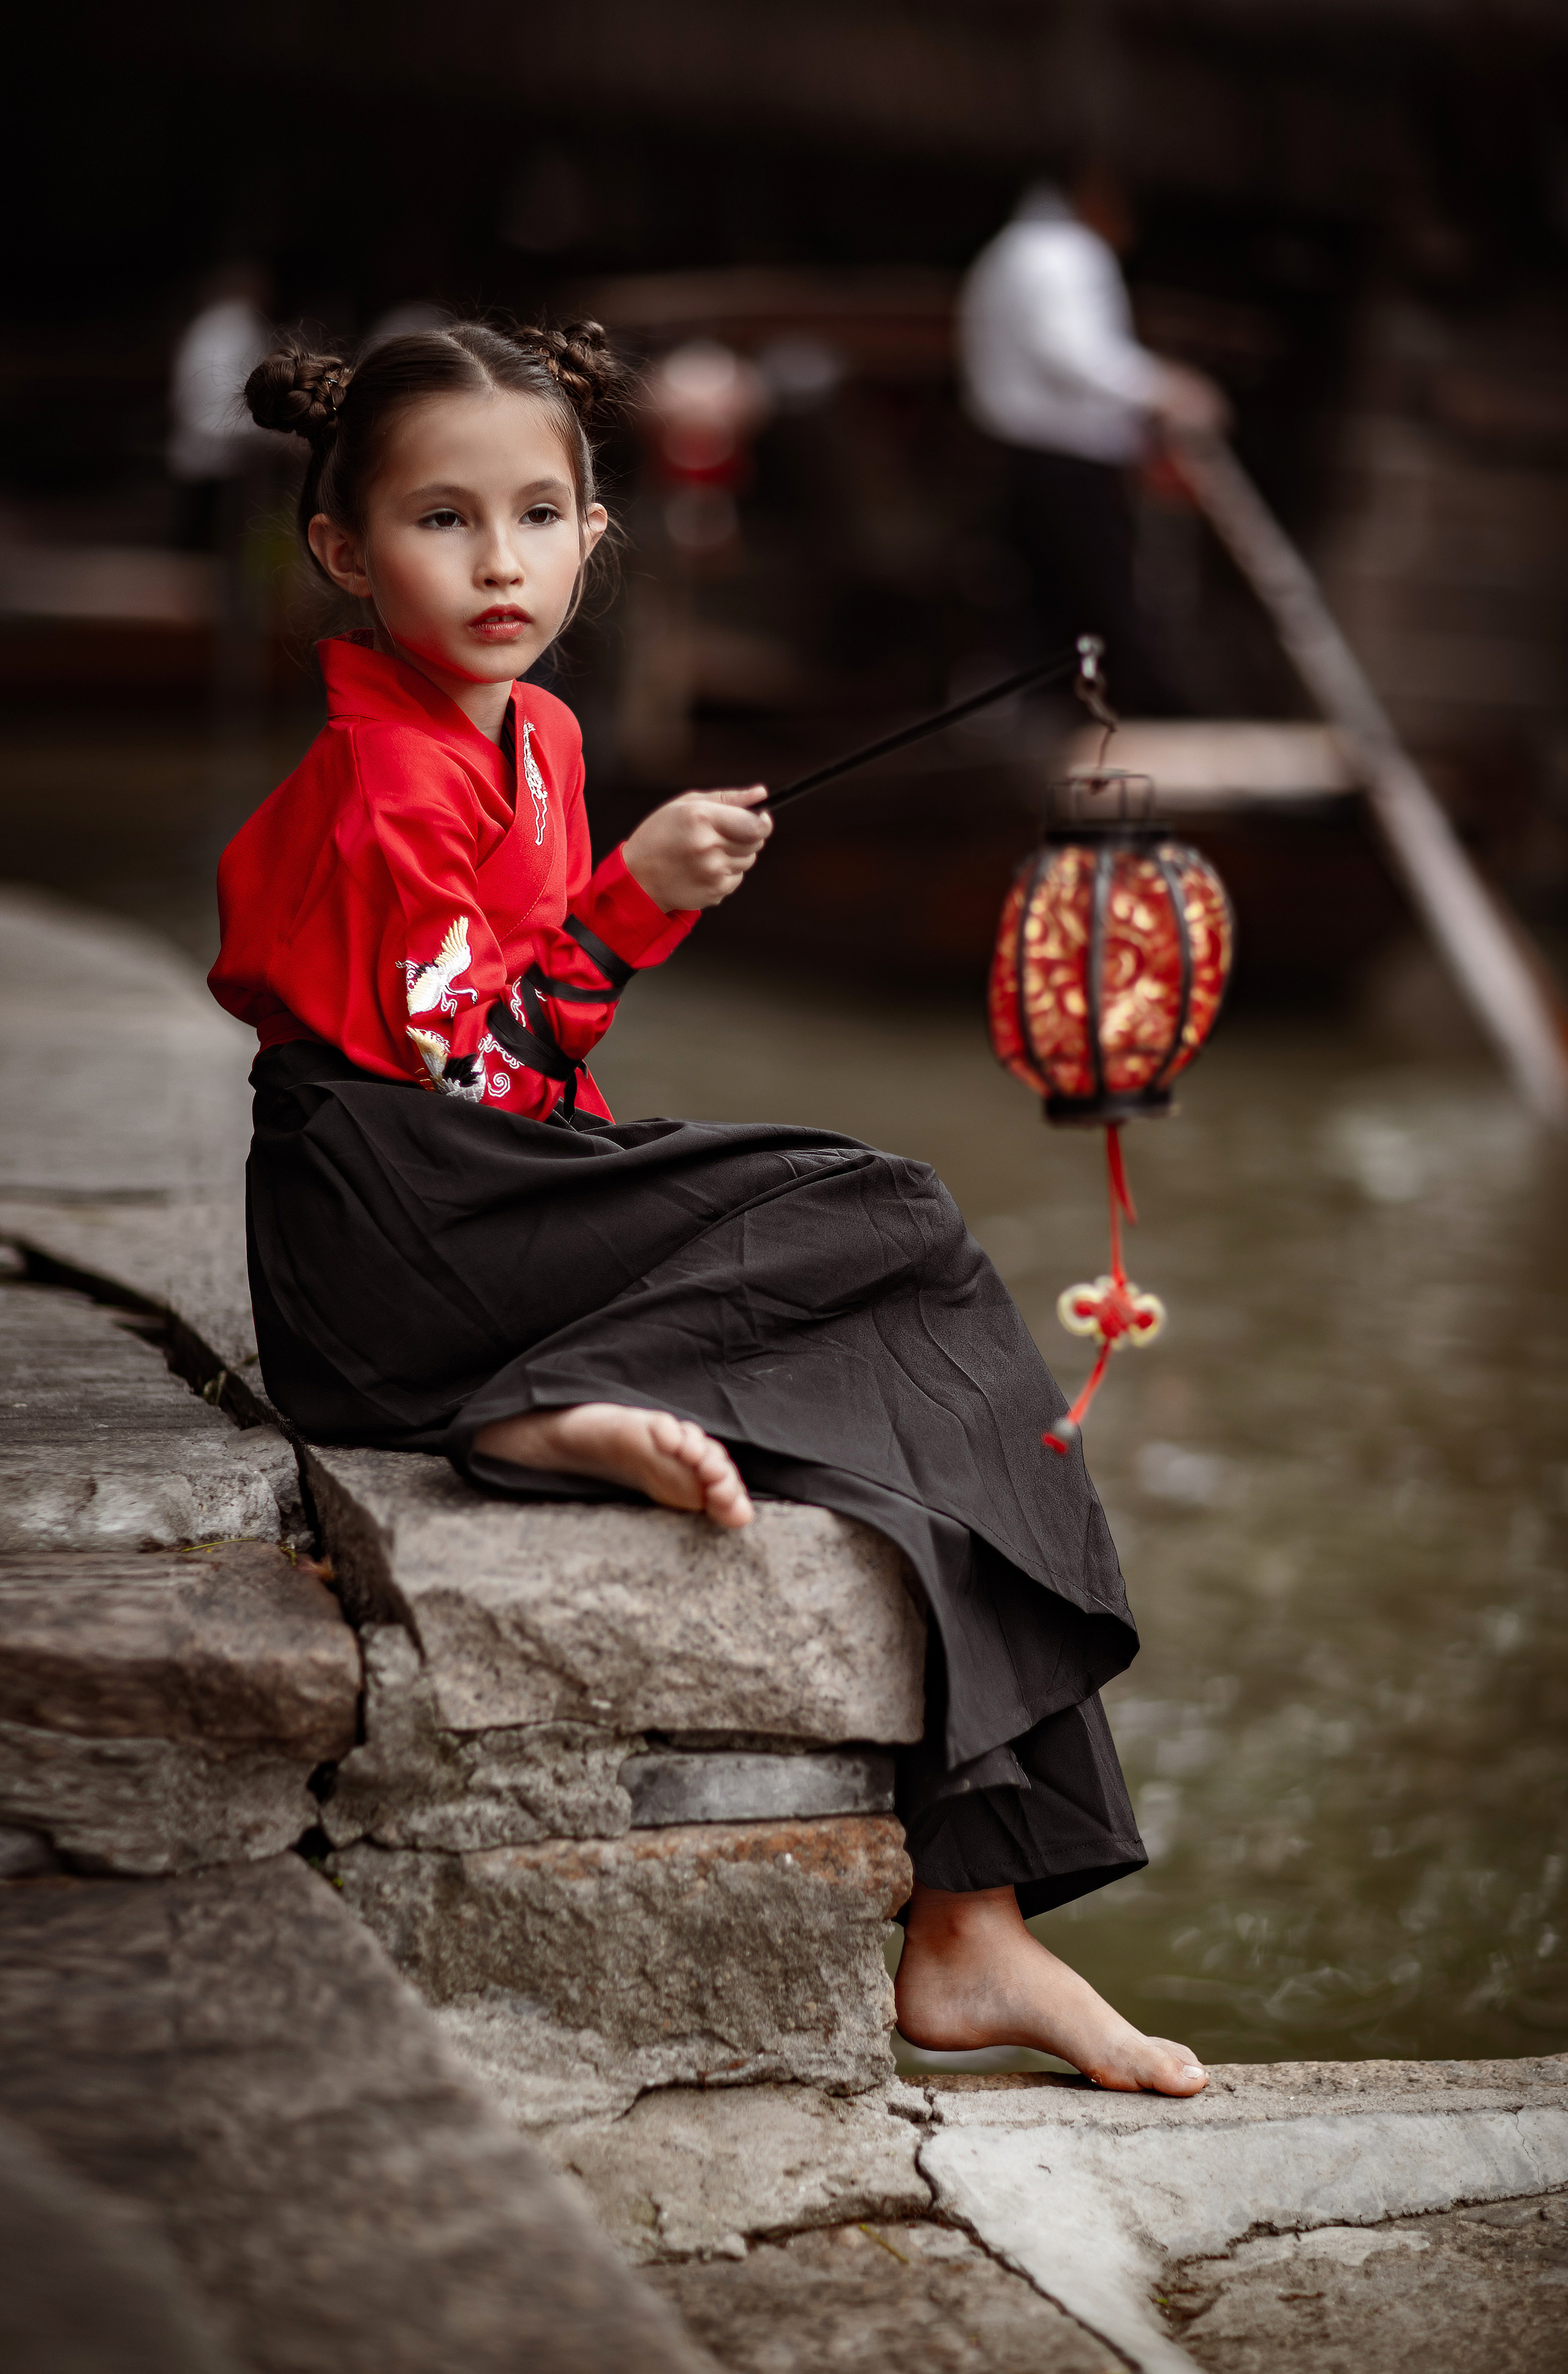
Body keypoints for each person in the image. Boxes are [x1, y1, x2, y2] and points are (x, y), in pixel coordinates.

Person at [209, 317, 1207, 2095]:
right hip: (398, 1236)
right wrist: (620, 909)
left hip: (480, 1194)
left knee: (901, 1301)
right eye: (444, 519)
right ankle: (526, 1406)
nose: (499, 559)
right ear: (348, 552)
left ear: (600, 535)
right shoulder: (385, 782)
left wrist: (626, 898)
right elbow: (456, 1080)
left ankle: (973, 1919)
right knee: (886, 1211)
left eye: (539, 513)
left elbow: (533, 1044)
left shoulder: (538, 738)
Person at [959, 162, 1228, 714]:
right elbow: (1071, 352)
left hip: (1016, 445)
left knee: (1039, 591)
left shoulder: (1008, 250)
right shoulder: (1067, 254)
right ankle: (1150, 708)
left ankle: (1044, 708)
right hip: (1066, 449)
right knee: (1101, 586)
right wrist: (1163, 389)